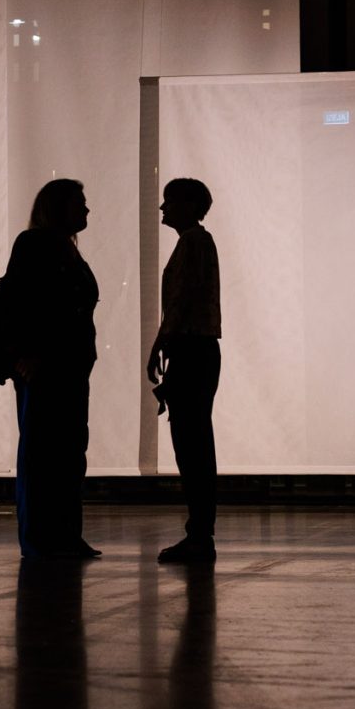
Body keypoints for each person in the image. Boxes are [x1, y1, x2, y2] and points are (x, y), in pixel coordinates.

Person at [4, 178, 100, 559]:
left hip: (70, 369)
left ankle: (65, 535)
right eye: (79, 202)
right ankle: (41, 539)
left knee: (68, 453)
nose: (86, 209)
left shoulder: (67, 250)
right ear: (58, 208)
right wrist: (28, 354)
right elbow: (21, 302)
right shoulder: (34, 245)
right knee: (43, 454)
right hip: (44, 369)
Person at [147, 177, 221, 563]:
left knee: (192, 445)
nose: (163, 208)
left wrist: (161, 344)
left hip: (192, 350)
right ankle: (199, 532)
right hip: (194, 350)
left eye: (170, 201)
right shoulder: (195, 242)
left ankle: (200, 534)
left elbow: (180, 301)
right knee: (193, 443)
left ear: (190, 206)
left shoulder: (193, 242)